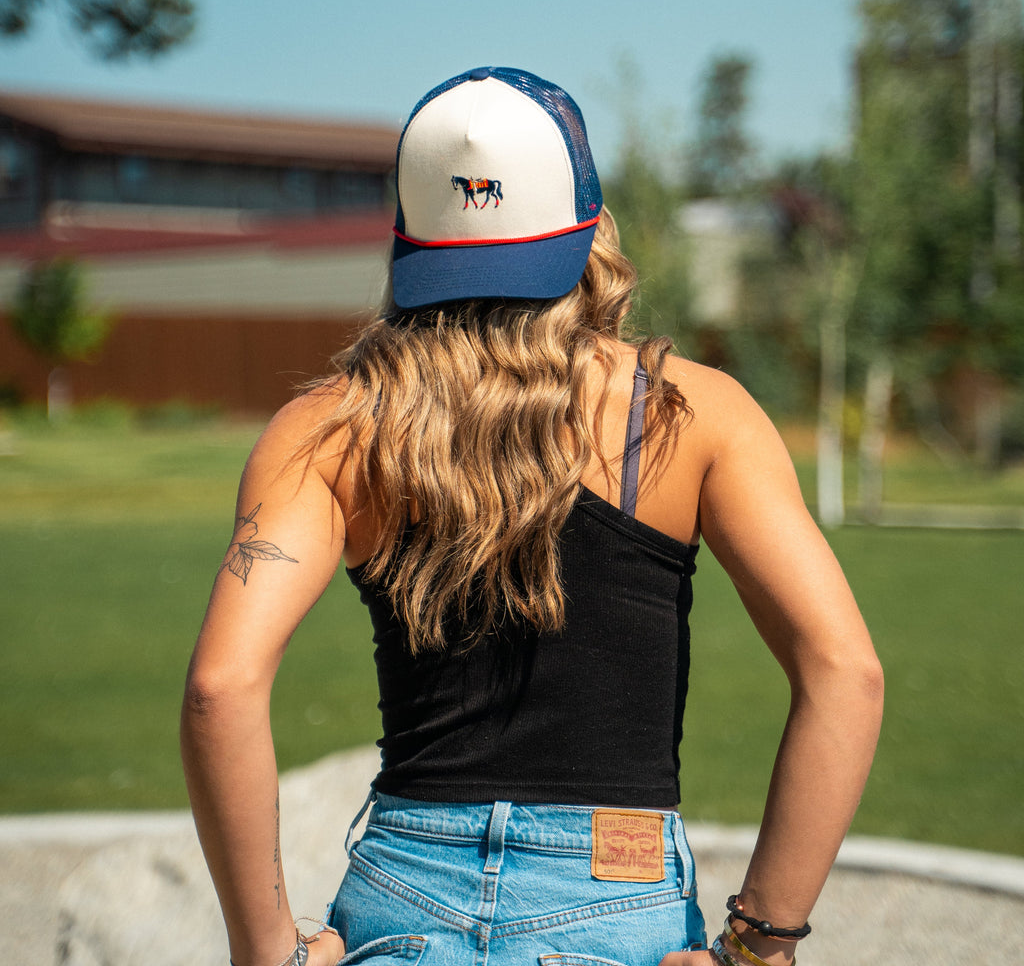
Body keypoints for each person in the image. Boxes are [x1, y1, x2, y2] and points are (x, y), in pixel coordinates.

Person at [181, 67, 883, 966]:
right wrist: (758, 949)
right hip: (615, 895)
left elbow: (220, 688)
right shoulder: (692, 412)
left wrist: (265, 953)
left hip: (401, 892)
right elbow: (845, 672)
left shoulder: (327, 428)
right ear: (589, 225)